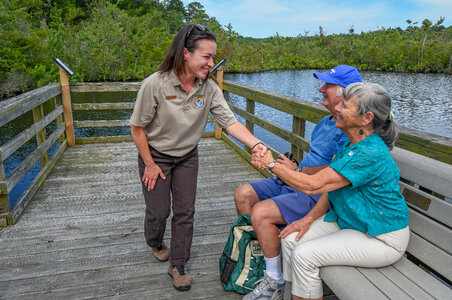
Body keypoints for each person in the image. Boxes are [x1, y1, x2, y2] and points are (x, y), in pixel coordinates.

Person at [130, 23, 266, 292]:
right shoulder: (155, 84)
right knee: (158, 212)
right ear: (186, 54)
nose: (211, 63)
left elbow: (230, 123)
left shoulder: (209, 88)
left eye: (213, 57)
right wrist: (149, 163)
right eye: (207, 56)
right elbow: (137, 129)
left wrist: (257, 144)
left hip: (187, 157)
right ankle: (155, 241)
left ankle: (178, 264)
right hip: (155, 154)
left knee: (185, 211)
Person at [252, 82, 410, 300]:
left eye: (345, 106)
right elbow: (329, 189)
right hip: (352, 223)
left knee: (304, 255)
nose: (337, 109)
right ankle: (293, 295)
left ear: (367, 118)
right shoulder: (352, 145)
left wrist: (271, 164)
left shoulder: (369, 153)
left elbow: (312, 185)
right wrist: (307, 219)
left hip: (380, 237)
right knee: (291, 240)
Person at [235, 65, 362, 300]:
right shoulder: (327, 122)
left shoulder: (349, 128)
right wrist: (292, 170)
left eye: (328, 86)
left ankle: (275, 279)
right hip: (298, 178)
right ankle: (264, 260)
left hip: (316, 190)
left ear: (344, 93)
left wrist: (290, 169)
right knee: (244, 194)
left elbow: (337, 171)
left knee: (261, 213)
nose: (321, 89)